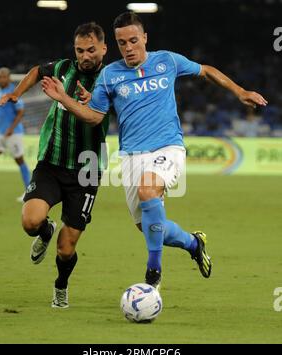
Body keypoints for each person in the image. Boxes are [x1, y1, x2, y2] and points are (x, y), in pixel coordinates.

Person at [41, 12, 268, 289]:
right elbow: (94, 116)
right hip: (131, 157)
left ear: (144, 38)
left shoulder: (167, 61)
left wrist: (240, 91)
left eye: (133, 40)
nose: (128, 48)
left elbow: (206, 70)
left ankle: (153, 271)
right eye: (121, 43)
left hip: (168, 147)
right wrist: (64, 98)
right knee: (149, 227)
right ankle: (193, 243)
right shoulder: (110, 75)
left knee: (148, 190)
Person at [0, 22, 110, 308]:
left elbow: (94, 118)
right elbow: (38, 70)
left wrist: (65, 98)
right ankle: (45, 231)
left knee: (66, 248)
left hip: (87, 169)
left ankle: (61, 285)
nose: (84, 56)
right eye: (79, 50)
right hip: (51, 162)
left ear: (103, 48)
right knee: (30, 221)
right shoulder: (62, 68)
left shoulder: (112, 79)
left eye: (90, 50)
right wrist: (17, 93)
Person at [0, 67, 30, 202]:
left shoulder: (14, 92)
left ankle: (29, 190)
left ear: (9, 78)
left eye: (3, 76)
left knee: (19, 160)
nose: (0, 79)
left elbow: (21, 111)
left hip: (13, 133)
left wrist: (11, 128)